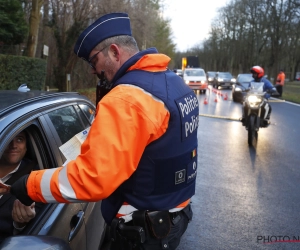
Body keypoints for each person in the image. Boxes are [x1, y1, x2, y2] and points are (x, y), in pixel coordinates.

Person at [2, 13, 198, 249]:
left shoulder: (127, 99)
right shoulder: (174, 84)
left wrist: (30, 184)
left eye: (94, 61)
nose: (94, 71)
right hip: (174, 217)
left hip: (142, 233)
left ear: (115, 52)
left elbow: (92, 178)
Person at [0, 131, 37, 243]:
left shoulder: (35, 176)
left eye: (19, 139)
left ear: (26, 146)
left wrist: (20, 223)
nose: (13, 146)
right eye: (8, 139)